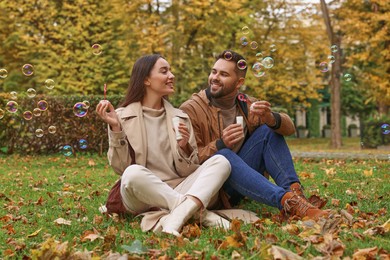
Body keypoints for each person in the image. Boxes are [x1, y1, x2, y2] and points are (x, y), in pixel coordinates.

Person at [180, 50, 329, 220]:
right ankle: (289, 203)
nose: (215, 77)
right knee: (224, 156)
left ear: (239, 82)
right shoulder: (191, 109)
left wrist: (271, 118)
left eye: (223, 74)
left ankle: (296, 195)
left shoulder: (246, 103)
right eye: (214, 72)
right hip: (216, 190)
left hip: (244, 181)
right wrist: (220, 144)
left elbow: (289, 129)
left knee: (269, 130)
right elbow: (187, 162)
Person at [96, 54, 231, 236]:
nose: (171, 75)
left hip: (178, 187)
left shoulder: (180, 117)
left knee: (221, 161)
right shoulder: (120, 117)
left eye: (170, 70)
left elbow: (187, 171)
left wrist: (184, 147)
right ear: (146, 80)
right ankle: (199, 213)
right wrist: (115, 128)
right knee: (132, 172)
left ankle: (177, 216)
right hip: (141, 195)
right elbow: (121, 168)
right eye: (164, 71)